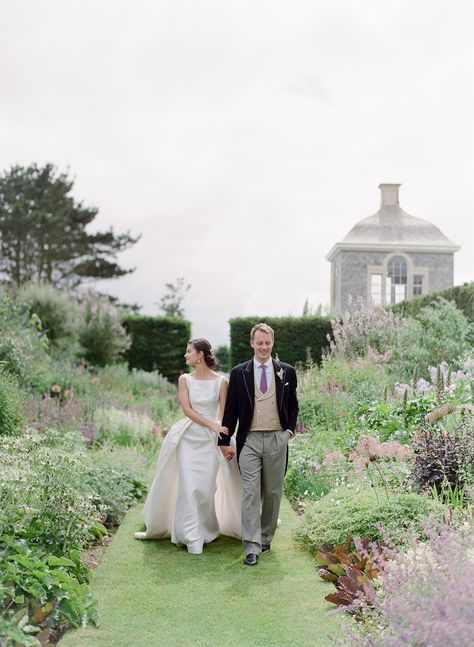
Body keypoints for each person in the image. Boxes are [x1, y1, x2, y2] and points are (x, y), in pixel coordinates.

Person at [134, 338, 242, 554]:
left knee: (205, 489)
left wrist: (223, 439)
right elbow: (187, 410)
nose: (186, 355)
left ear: (200, 354)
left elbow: (224, 414)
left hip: (210, 441)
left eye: (188, 351)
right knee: (189, 487)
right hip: (189, 438)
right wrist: (212, 425)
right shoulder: (185, 379)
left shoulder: (222, 381)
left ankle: (207, 530)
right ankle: (191, 536)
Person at [218, 323, 299, 566]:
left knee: (273, 493)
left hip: (277, 438)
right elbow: (231, 410)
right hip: (249, 440)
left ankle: (265, 537)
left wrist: (288, 432)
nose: (264, 347)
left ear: (272, 343)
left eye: (267, 343)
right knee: (251, 493)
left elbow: (293, 406)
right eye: (259, 343)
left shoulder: (287, 371)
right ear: (252, 343)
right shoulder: (239, 372)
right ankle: (251, 546)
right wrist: (224, 440)